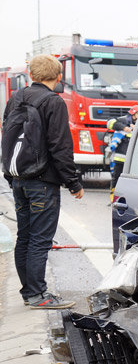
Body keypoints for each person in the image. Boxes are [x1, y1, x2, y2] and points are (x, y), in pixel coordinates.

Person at [2, 55, 83, 309]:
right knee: (40, 239)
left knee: (24, 237)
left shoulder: (16, 98)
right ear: (59, 77)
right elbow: (60, 145)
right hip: (43, 182)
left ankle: (29, 292)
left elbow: (6, 134)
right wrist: (73, 183)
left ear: (31, 74)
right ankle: (39, 295)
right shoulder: (53, 102)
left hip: (19, 179)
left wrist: (9, 174)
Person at [107, 104, 138, 198]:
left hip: (132, 159)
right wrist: (124, 128)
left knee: (130, 180)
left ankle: (127, 197)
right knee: (116, 178)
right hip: (120, 158)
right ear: (133, 114)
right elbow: (110, 123)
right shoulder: (123, 120)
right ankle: (113, 197)